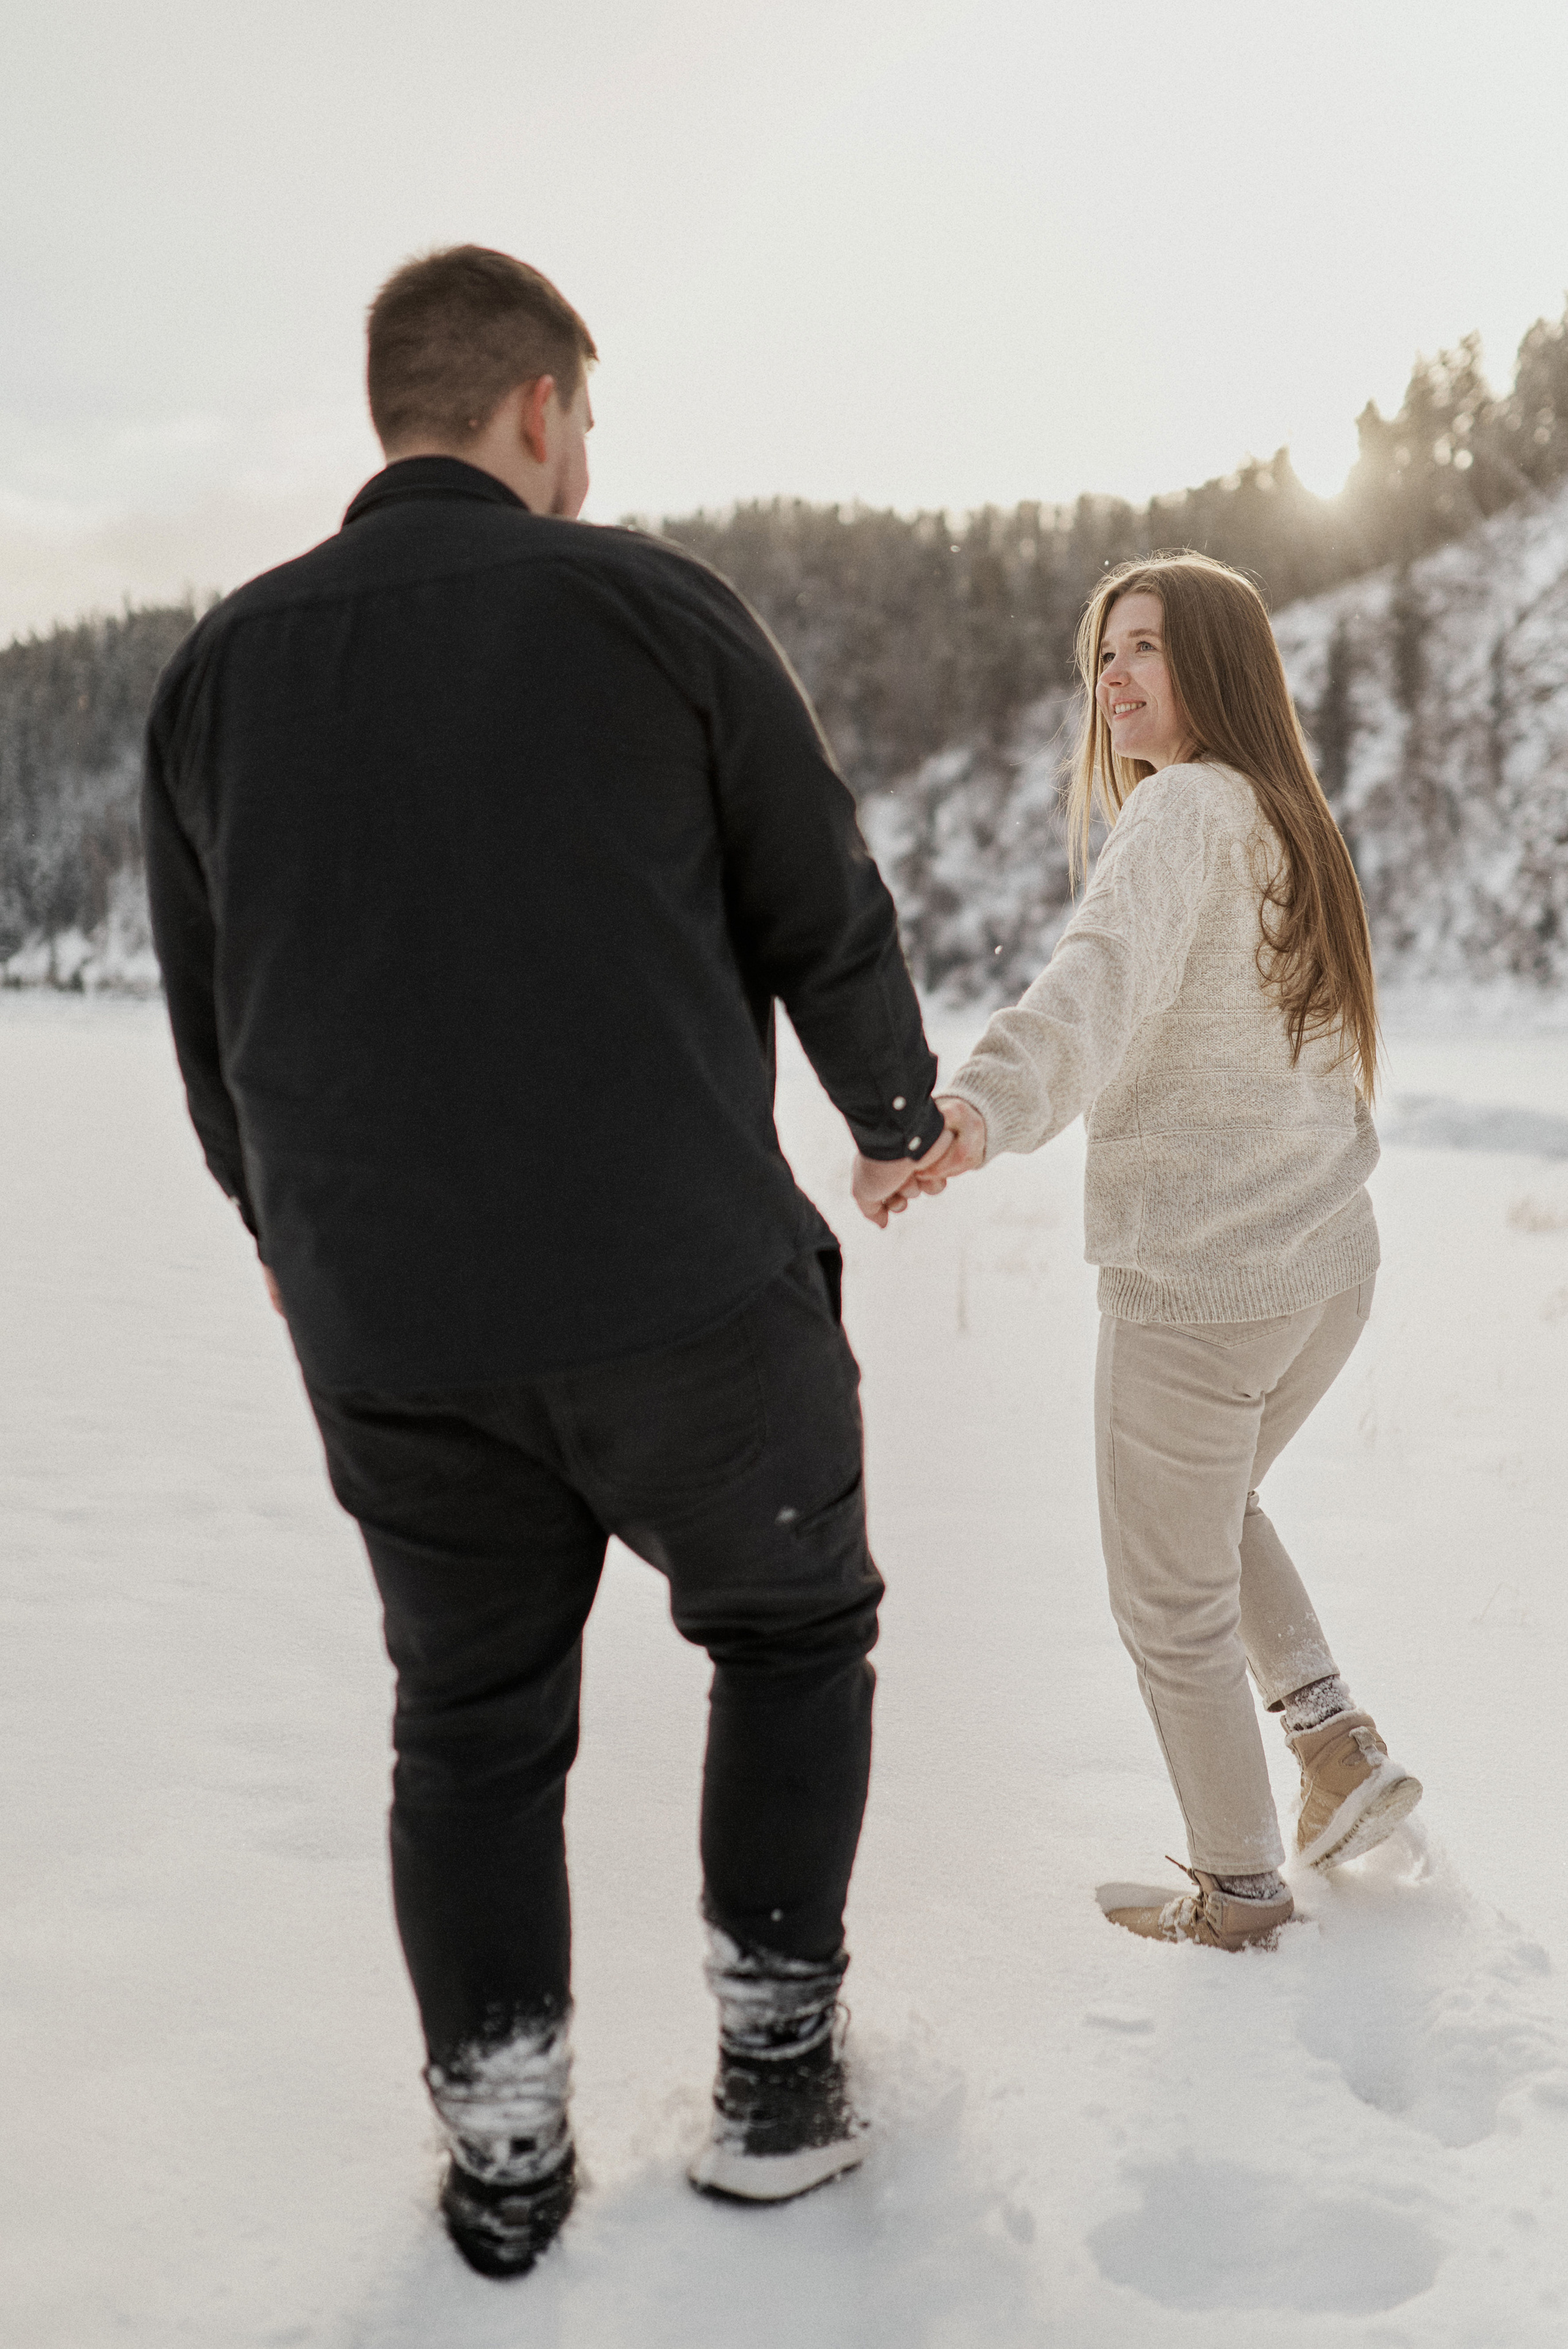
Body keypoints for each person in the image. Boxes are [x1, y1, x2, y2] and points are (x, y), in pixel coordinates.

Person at [141, 244, 952, 2277]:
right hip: (684, 1295)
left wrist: (278, 1226)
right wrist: (893, 1110)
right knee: (784, 1630)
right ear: (530, 406)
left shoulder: (219, 674)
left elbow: (207, 1010)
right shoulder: (650, 606)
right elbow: (815, 892)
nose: (588, 454)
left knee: (471, 1718)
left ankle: (505, 2157)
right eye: (583, 416)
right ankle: (776, 2084)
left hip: (392, 1330)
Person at [905, 551, 1421, 1952]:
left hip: (1203, 1285)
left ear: (1217, 663)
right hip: (1321, 1272)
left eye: (1141, 647)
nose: (1111, 678)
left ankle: (1241, 1892)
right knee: (1212, 1518)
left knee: (1166, 1598)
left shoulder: (1179, 811)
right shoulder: (1281, 816)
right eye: (1099, 656)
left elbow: (1094, 984)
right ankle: (1334, 1747)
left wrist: (978, 1105)